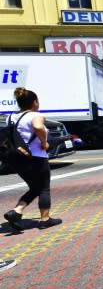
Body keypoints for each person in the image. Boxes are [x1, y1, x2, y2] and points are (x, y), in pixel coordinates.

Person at [3, 87, 63, 231]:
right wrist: (44, 143)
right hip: (36, 157)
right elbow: (38, 127)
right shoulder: (36, 116)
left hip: (17, 158)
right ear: (35, 102)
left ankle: (16, 211)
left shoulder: (10, 117)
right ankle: (45, 219)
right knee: (44, 189)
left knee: (35, 188)